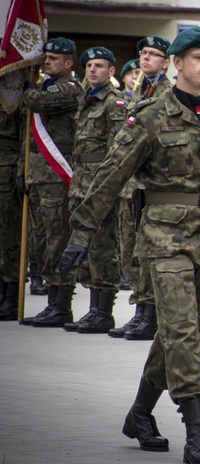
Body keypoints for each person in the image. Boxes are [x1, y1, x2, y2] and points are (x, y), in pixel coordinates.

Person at [59, 26, 200, 463]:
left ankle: (140, 414)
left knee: (176, 333)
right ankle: (197, 431)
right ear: (177, 64)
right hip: (164, 237)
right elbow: (109, 178)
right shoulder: (150, 115)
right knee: (185, 332)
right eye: (198, 58)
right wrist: (80, 236)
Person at [109, 36, 172, 341]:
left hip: (150, 184)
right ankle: (139, 310)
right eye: (143, 53)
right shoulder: (138, 90)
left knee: (148, 253)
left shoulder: (169, 93)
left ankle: (150, 314)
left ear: (167, 61)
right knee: (129, 251)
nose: (146, 58)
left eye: (153, 54)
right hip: (129, 185)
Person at [20, 37, 84, 327]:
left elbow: (36, 101)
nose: (47, 61)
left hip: (58, 178)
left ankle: (61, 305)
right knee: (42, 241)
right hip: (39, 176)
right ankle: (50, 301)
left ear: (68, 63)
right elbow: (31, 138)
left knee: (58, 241)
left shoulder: (69, 89)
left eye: (54, 58)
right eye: (46, 57)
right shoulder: (45, 84)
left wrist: (24, 82)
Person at [62, 47, 126, 334]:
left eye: (99, 65)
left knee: (102, 248)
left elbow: (117, 149)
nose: (92, 70)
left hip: (100, 184)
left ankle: (103, 311)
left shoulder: (114, 102)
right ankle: (92, 309)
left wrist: (107, 187)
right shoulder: (85, 100)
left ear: (111, 71)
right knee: (85, 249)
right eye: (88, 65)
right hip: (81, 182)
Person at [0, 106, 24, 320]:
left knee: (9, 236)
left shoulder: (14, 96)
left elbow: (26, 137)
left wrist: (23, 170)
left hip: (8, 173)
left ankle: (11, 294)